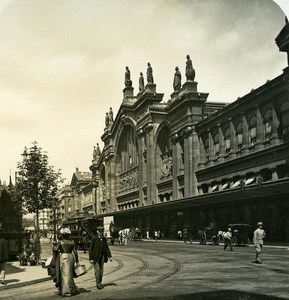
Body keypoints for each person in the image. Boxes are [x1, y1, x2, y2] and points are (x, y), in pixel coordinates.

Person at [53, 228, 79, 297]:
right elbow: (75, 252)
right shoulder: (72, 242)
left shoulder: (60, 242)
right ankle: (72, 288)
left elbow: (55, 249)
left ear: (62, 235)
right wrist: (77, 260)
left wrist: (54, 245)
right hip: (71, 257)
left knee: (64, 274)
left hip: (64, 257)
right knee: (70, 273)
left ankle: (66, 291)